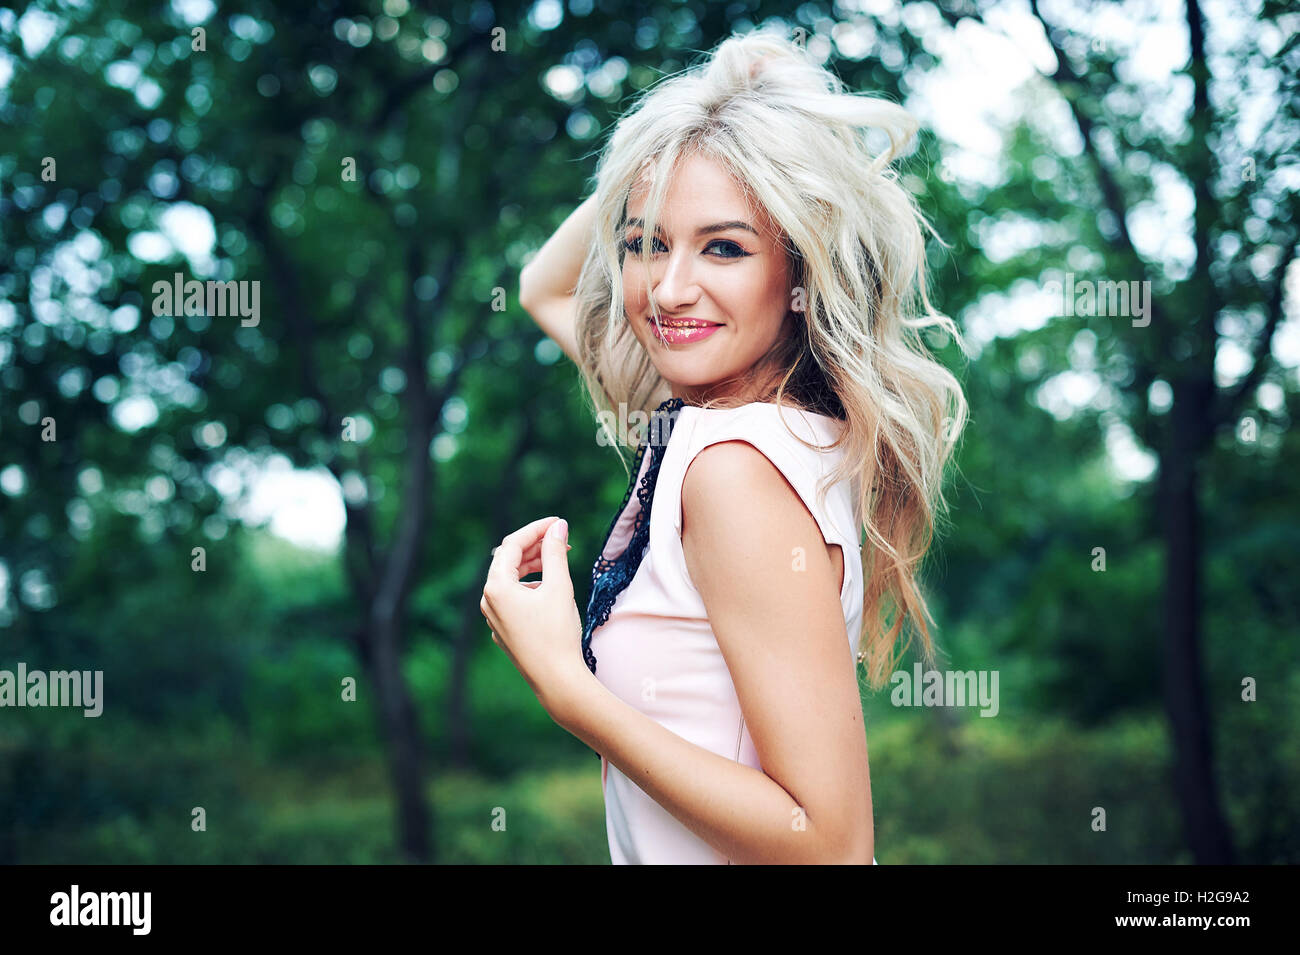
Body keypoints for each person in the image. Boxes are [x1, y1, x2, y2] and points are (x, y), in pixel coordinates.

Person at [482, 30, 967, 865]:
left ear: (802, 271)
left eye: (725, 246)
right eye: (645, 242)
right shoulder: (725, 418)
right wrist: (697, 116)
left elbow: (831, 844)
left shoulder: (732, 466)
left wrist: (566, 686)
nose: (669, 289)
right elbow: (545, 286)